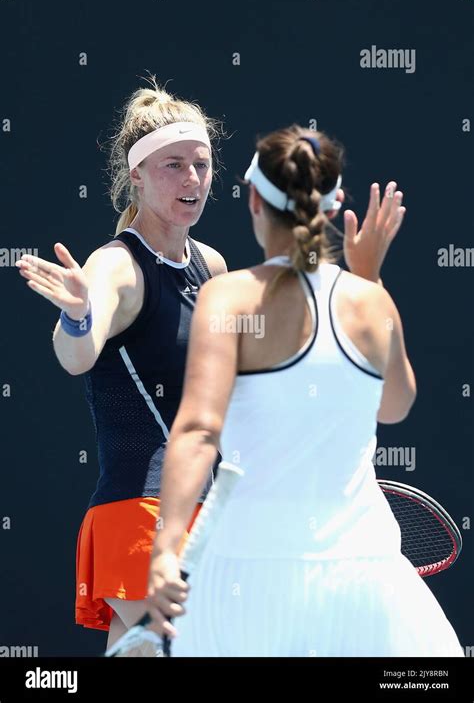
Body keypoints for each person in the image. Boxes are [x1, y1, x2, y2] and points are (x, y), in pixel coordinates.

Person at [146, 124, 464, 657]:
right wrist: (368, 279)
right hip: (365, 584)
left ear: (253, 199)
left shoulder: (226, 299)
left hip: (244, 584)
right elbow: (396, 405)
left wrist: (164, 549)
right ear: (334, 206)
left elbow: (200, 430)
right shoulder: (371, 303)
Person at [15, 77, 228, 653]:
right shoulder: (113, 267)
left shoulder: (212, 265)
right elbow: (75, 356)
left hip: (209, 511)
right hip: (141, 512)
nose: (192, 180)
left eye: (201, 165)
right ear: (136, 175)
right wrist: (80, 316)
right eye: (173, 165)